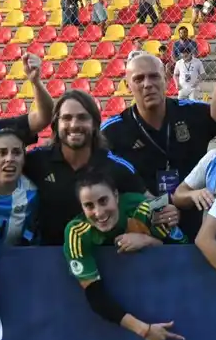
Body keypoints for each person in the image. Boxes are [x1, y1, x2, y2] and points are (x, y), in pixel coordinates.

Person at [64, 169, 182, 340]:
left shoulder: (149, 207)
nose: (99, 213)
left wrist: (147, 241)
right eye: (89, 206)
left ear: (116, 196)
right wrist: (145, 330)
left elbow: (184, 253)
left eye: (103, 201)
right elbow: (96, 296)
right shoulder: (76, 232)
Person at [102, 53, 216, 226]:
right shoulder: (112, 131)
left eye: (154, 76)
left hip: (197, 223)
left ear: (166, 79)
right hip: (141, 226)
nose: (148, 84)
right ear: (128, 86)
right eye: (139, 79)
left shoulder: (194, 113)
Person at [22, 90, 154, 245]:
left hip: (107, 259)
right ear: (56, 125)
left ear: (94, 124)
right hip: (47, 258)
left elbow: (153, 206)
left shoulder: (116, 166)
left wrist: (147, 238)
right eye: (66, 118)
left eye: (82, 117)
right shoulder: (36, 161)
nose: (74, 125)